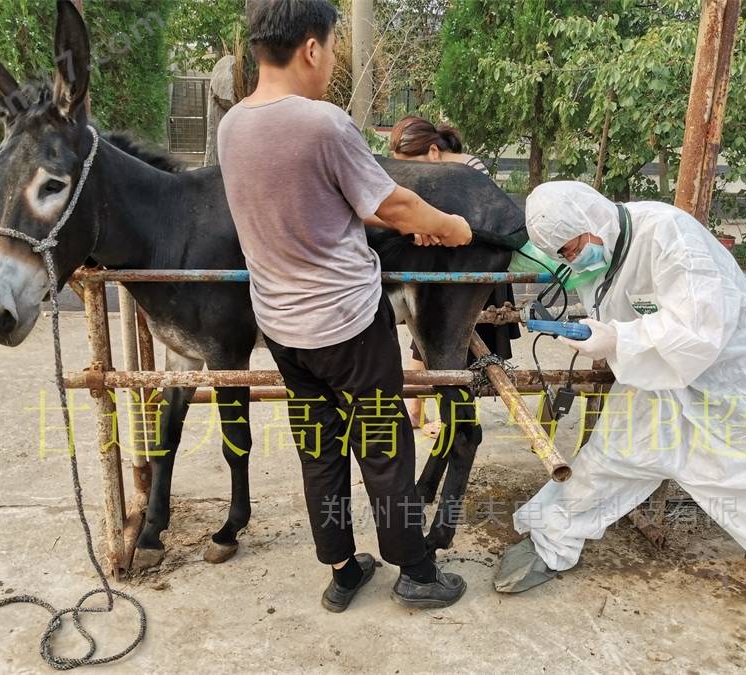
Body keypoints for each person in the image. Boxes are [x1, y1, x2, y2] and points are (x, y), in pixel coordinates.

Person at [493, 181, 746, 644]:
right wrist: (598, 332)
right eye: (562, 254)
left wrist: (616, 339)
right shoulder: (601, 253)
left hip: (727, 388)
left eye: (571, 248)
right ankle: (551, 539)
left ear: (593, 222)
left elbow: (699, 331)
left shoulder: (670, 235)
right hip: (654, 387)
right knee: (608, 462)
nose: (571, 260)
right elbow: (623, 312)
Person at [217, 0, 471, 612]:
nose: (331, 61)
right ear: (310, 48)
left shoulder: (232, 127)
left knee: (319, 446)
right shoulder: (322, 123)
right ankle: (413, 569)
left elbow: (305, 200)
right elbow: (398, 208)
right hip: (348, 329)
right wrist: (455, 226)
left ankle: (342, 569)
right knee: (383, 446)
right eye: (331, 48)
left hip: (281, 328)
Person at [388, 116, 520, 435]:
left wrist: (432, 226)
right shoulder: (447, 171)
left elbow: (471, 229)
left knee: (446, 345)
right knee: (424, 340)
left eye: (413, 168)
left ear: (433, 152)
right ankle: (418, 408)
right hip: (436, 257)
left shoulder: (467, 175)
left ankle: (442, 417)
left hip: (465, 261)